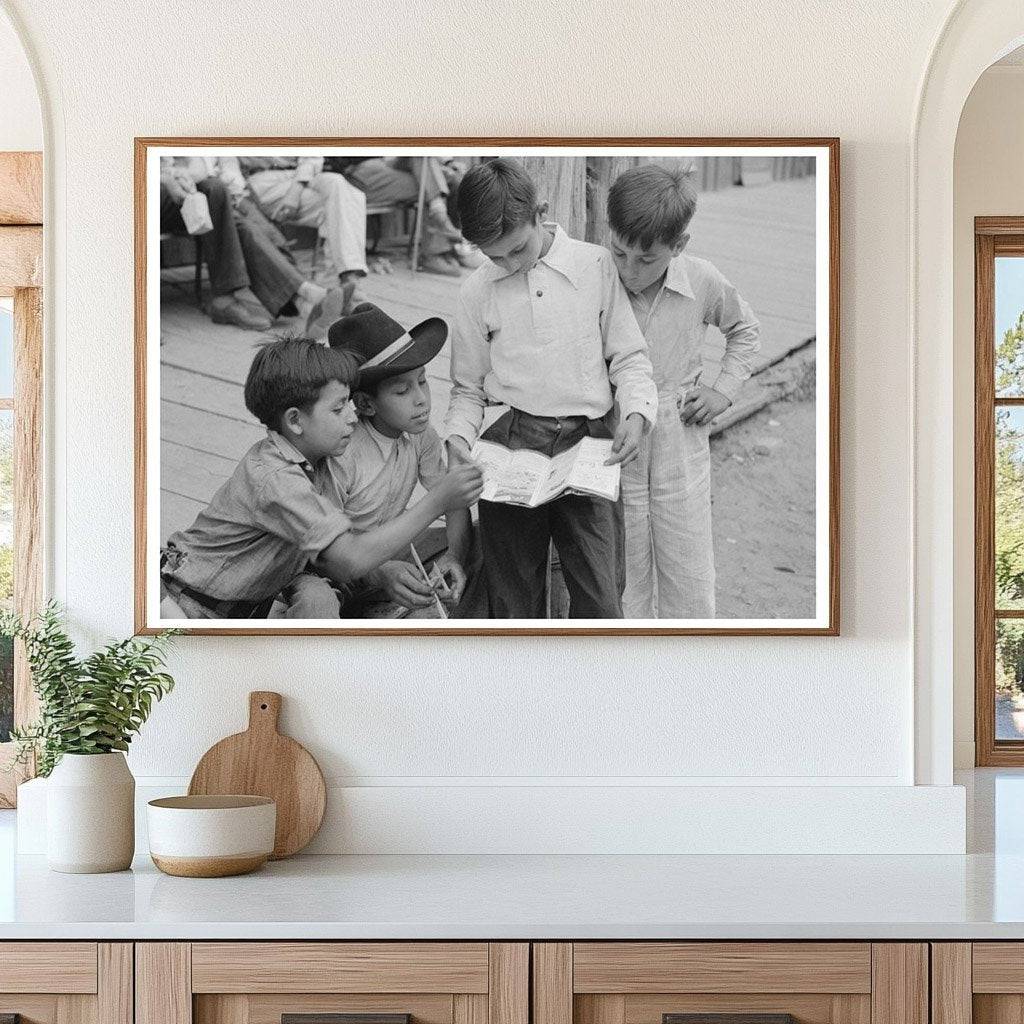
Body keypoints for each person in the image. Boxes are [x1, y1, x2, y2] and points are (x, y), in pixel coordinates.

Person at [443, 158, 658, 619]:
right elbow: (467, 389)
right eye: (492, 255)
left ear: (540, 213)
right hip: (511, 443)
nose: (507, 264)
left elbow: (630, 357)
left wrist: (637, 414)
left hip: (590, 442)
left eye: (516, 249)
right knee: (511, 594)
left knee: (600, 595)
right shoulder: (476, 291)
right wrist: (458, 440)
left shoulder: (595, 265)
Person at [160, 336, 483, 620]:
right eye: (339, 408)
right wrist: (436, 501)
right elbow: (346, 562)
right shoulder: (276, 478)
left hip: (230, 608)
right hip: (183, 604)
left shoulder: (309, 461)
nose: (353, 418)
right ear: (295, 421)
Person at [606, 163, 761, 618]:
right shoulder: (598, 279)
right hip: (616, 437)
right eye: (619, 253)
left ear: (679, 246)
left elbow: (745, 331)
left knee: (688, 572)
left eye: (647, 259)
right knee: (624, 579)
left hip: (680, 435)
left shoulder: (701, 279)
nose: (630, 270)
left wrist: (722, 391)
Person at [325, 302, 471, 614]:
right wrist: (379, 571)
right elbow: (328, 551)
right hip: (340, 570)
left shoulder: (420, 434)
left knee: (487, 539)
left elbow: (453, 500)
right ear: (365, 404)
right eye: (402, 392)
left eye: (422, 381)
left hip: (393, 550)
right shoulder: (342, 452)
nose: (422, 400)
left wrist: (455, 555)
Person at [162, 157, 346, 334]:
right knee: (221, 196)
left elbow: (216, 167)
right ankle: (306, 294)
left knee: (247, 226)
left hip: (206, 197)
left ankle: (301, 300)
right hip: (158, 194)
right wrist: (165, 177)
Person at [237, 156, 370, 306]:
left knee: (340, 187)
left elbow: (311, 156)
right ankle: (341, 287)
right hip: (262, 181)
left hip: (302, 175)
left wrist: (295, 191)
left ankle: (346, 281)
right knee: (340, 206)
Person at [160, 157, 271, 330]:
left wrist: (181, 175)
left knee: (215, 188)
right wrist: (164, 179)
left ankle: (224, 301)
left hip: (179, 193)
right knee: (244, 225)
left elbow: (199, 163)